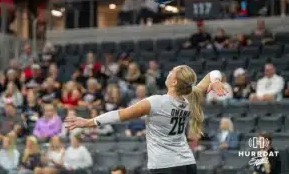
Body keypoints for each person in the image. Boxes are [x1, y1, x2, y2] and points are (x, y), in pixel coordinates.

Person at [66, 66, 226, 174]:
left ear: (175, 82)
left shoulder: (156, 102)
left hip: (164, 166)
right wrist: (216, 81)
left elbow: (120, 114)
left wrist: (89, 122)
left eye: (171, 72)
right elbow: (214, 72)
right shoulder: (190, 97)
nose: (169, 73)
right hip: (188, 164)